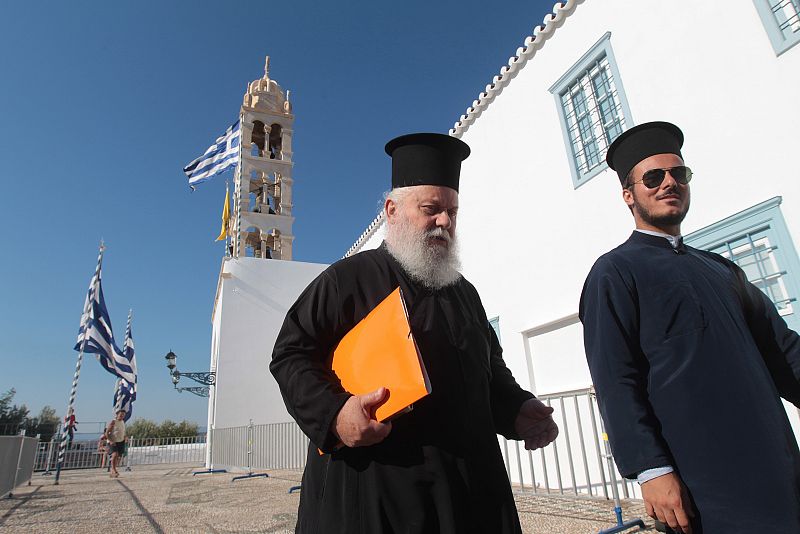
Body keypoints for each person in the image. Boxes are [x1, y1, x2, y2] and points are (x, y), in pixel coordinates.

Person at [271, 133, 559, 534]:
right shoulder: (346, 280)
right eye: (431, 209)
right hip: (377, 494)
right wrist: (335, 414)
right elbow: (291, 355)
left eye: (452, 213)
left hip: (470, 496)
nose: (444, 222)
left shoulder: (465, 293)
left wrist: (517, 408)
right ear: (392, 210)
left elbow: (489, 370)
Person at [579, 121, 800, 533]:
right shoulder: (615, 272)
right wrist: (650, 468)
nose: (669, 183)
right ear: (629, 195)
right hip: (699, 486)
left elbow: (783, 350)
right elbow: (615, 379)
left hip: (776, 465)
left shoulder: (723, 270)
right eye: (653, 177)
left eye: (678, 174)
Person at [106, 410, 127, 478]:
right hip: (113, 441)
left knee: (118, 456)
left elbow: (122, 431)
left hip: (121, 441)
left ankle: (113, 470)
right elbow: (107, 433)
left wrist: (125, 437)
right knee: (115, 454)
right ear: (117, 415)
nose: (122, 416)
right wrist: (110, 440)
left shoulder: (123, 422)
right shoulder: (113, 421)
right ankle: (113, 469)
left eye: (123, 415)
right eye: (121, 414)